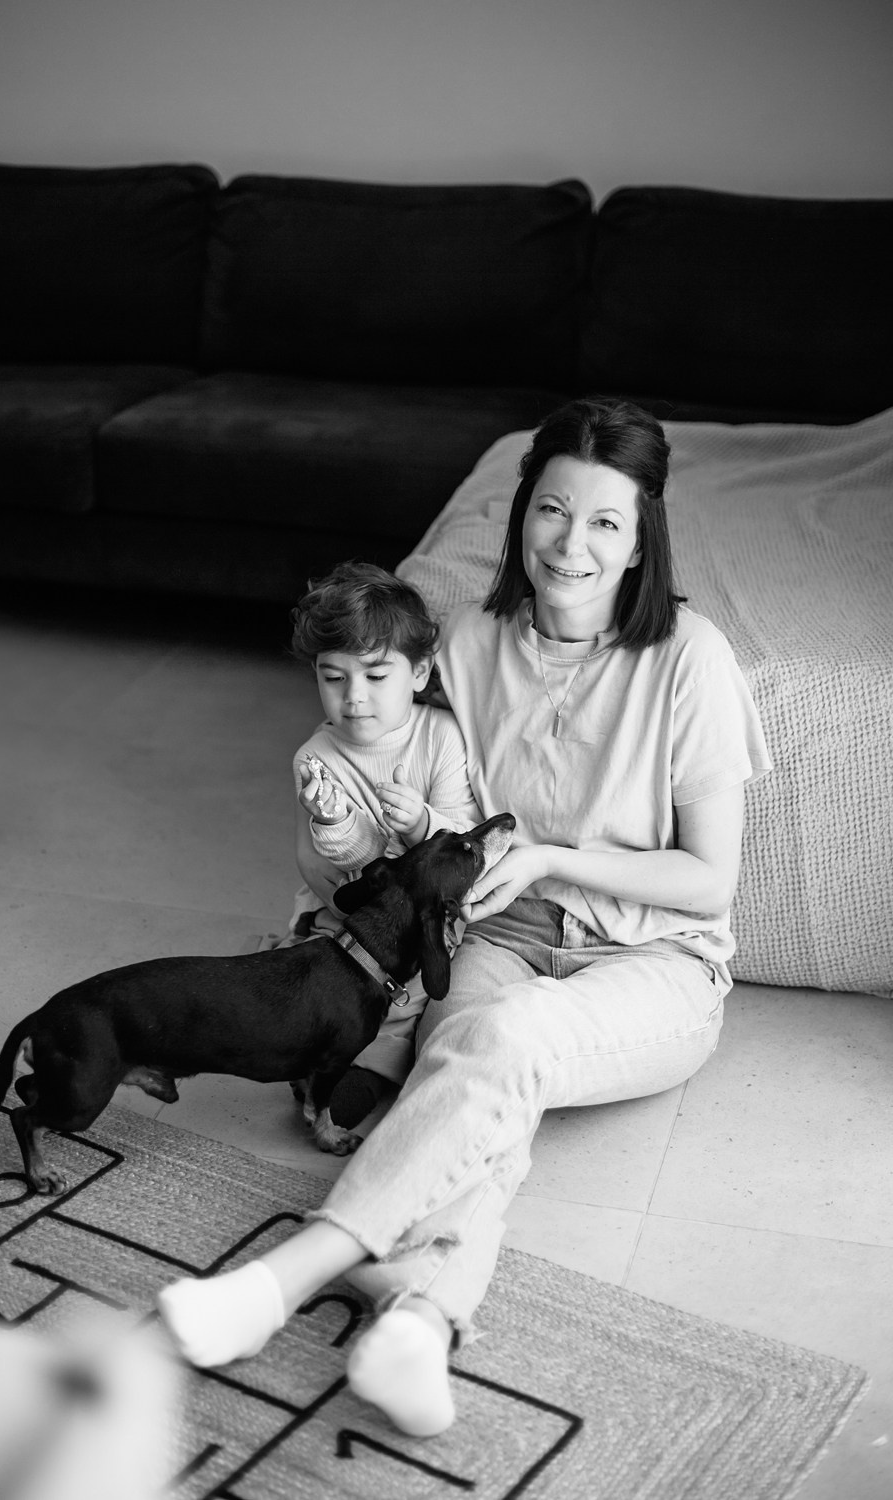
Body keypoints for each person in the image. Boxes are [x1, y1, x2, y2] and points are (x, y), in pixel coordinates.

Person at [158, 397, 772, 1439]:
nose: (570, 544)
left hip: (658, 960)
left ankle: (281, 1280)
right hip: (493, 935)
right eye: (551, 510)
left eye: (605, 522)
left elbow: (711, 882)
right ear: (522, 512)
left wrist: (550, 856)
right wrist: (335, 835)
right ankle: (418, 1323)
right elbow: (374, 741)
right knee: (480, 1074)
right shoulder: (470, 646)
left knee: (504, 1039)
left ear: (639, 541)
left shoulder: (690, 657)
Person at [283, 561, 484, 1141]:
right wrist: (336, 821)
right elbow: (340, 866)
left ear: (418, 672)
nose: (354, 698)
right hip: (347, 906)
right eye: (333, 677)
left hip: (418, 916)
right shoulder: (315, 758)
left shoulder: (440, 737)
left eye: (376, 676)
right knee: (324, 970)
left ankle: (369, 1069)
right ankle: (314, 1052)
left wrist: (422, 824)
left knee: (411, 991)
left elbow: (462, 843)